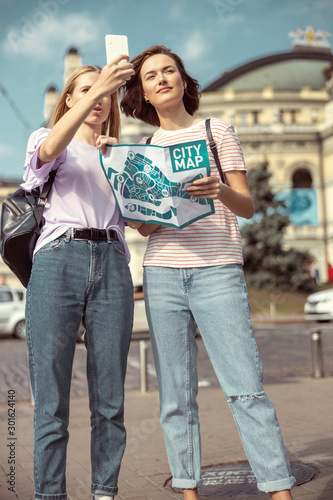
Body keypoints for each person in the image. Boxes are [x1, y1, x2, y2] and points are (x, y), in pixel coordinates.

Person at [121, 45, 295, 500]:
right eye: (151, 76)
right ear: (142, 92)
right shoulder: (143, 149)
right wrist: (155, 210)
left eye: (169, 71)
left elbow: (249, 206)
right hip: (162, 273)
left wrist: (218, 190)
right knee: (176, 396)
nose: (161, 79)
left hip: (217, 270)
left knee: (246, 388)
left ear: (183, 80)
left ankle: (278, 488)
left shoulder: (217, 132)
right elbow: (141, 224)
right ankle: (187, 490)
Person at [22, 56, 137, 500]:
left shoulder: (121, 156)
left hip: (111, 262)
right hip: (58, 260)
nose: (100, 98)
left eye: (107, 92)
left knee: (109, 398)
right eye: (87, 89)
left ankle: (104, 492)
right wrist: (99, 84)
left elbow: (143, 222)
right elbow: (48, 152)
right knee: (51, 400)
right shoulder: (50, 139)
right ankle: (50, 495)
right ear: (69, 98)